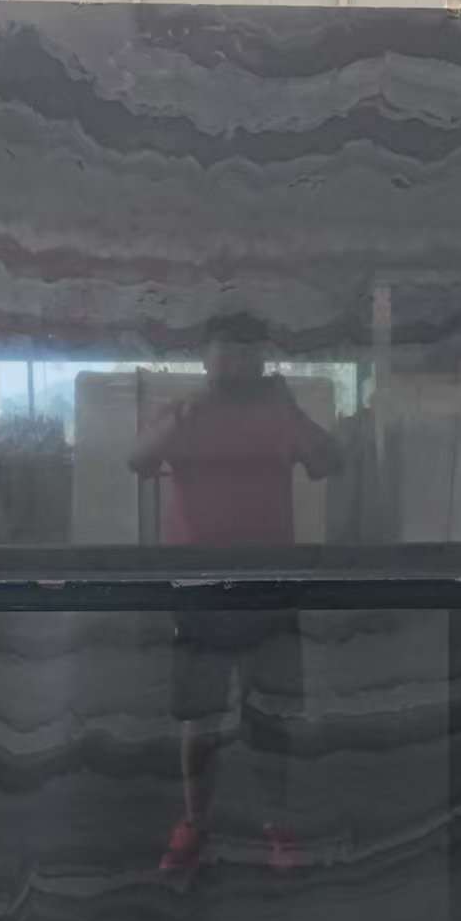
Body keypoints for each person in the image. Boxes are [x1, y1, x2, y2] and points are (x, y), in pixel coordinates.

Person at [129, 318, 342, 872]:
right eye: (225, 351)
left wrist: (291, 412)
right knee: (198, 716)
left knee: (269, 710)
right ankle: (194, 822)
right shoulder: (185, 412)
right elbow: (138, 461)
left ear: (262, 358)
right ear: (206, 358)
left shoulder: (278, 415)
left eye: (247, 352)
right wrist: (184, 413)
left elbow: (329, 463)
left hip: (269, 584)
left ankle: (277, 824)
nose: (236, 362)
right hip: (198, 586)